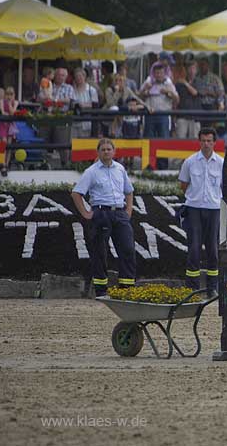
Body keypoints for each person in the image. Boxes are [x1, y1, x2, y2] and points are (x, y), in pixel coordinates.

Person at [71, 139, 137, 297]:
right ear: (98, 152)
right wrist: (86, 213)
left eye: (109, 149)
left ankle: (126, 288)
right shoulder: (91, 172)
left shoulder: (120, 169)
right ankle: (101, 290)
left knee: (127, 249)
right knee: (100, 252)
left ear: (114, 152)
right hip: (101, 213)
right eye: (103, 149)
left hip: (120, 213)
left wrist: (128, 210)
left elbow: (129, 191)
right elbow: (76, 193)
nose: (106, 152)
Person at [178, 127, 223, 293]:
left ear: (214, 143)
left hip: (214, 209)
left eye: (209, 141)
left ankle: (212, 287)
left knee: (213, 249)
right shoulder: (190, 161)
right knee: (194, 249)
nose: (206, 144)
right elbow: (183, 185)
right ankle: (192, 288)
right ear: (199, 141)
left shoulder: (221, 163)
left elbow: (224, 188)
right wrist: (194, 197)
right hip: (194, 208)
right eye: (203, 140)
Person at [140, 62, 179, 139]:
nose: (159, 75)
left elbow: (177, 100)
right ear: (153, 74)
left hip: (163, 115)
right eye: (157, 73)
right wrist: (145, 90)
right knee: (148, 140)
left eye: (161, 73)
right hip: (150, 115)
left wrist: (168, 92)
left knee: (164, 140)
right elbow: (138, 98)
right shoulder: (148, 83)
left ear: (164, 73)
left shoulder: (168, 84)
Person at [104, 72, 143, 138]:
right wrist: (117, 92)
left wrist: (147, 106)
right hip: (110, 117)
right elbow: (110, 103)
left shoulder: (127, 90)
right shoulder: (109, 90)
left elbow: (137, 99)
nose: (118, 82)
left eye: (120, 80)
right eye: (116, 80)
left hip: (122, 117)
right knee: (115, 108)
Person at [175, 60, 202, 140]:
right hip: (182, 116)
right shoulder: (179, 83)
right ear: (186, 70)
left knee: (194, 140)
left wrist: (185, 83)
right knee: (180, 139)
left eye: (193, 68)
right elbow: (176, 98)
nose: (191, 70)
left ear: (196, 70)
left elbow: (195, 92)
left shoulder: (199, 81)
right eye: (189, 68)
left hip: (195, 116)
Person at [70, 67, 100, 139]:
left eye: (80, 76)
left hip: (87, 122)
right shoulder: (72, 90)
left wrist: (84, 105)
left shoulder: (91, 90)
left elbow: (95, 105)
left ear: (84, 77)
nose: (78, 78)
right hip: (74, 122)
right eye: (76, 76)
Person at [0, 87, 19, 176]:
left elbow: (12, 112)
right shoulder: (2, 101)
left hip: (11, 125)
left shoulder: (16, 102)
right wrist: (7, 108)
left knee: (9, 145)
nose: (9, 96)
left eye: (11, 94)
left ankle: (7, 163)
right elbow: (3, 112)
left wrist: (10, 104)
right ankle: (2, 163)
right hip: (3, 125)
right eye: (7, 94)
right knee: (3, 143)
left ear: (14, 95)